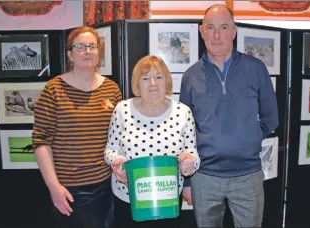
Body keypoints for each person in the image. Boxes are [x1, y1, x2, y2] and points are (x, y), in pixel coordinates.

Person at [179, 4, 279, 228]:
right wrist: (186, 182)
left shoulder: (256, 69)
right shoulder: (190, 76)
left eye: (224, 27)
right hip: (204, 176)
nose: (216, 35)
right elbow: (184, 132)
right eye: (210, 27)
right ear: (201, 31)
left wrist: (247, 137)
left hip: (248, 175)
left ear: (234, 31)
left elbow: (271, 119)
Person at [32, 26, 122, 228]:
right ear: (70, 54)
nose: (87, 51)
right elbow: (40, 142)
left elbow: (118, 138)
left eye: (92, 46)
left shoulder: (111, 88)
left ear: (99, 53)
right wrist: (54, 186)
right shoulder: (53, 89)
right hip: (69, 190)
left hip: (107, 187)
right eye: (80, 46)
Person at [104, 55, 200, 228]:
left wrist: (190, 163)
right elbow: (110, 149)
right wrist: (116, 162)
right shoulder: (122, 110)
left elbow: (193, 154)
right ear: (137, 83)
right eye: (146, 78)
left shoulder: (182, 112)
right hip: (129, 198)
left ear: (167, 81)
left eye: (158, 77)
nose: (153, 83)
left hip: (167, 200)